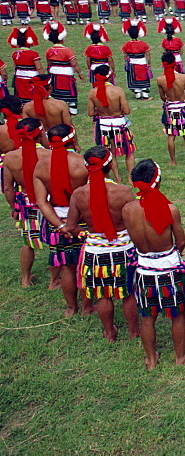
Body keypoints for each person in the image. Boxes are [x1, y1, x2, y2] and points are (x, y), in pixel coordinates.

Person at [123, 159, 185, 370]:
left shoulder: (128, 210)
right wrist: (172, 255)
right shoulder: (170, 209)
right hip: (169, 268)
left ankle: (151, 359)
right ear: (157, 181)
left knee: (148, 316)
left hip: (143, 268)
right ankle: (180, 357)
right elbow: (181, 241)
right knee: (177, 313)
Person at [63, 146, 140, 342]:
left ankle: (110, 332)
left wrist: (91, 236)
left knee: (103, 296)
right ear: (109, 165)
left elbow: (71, 226)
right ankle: (133, 332)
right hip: (123, 249)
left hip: (95, 252)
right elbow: (134, 221)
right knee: (128, 294)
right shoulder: (123, 191)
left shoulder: (79, 194)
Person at [32, 124, 91, 316]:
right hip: (82, 220)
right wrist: (73, 224)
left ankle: (71, 308)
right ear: (72, 139)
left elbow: (42, 202)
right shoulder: (81, 163)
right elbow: (90, 196)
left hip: (56, 221)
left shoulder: (40, 166)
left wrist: (61, 225)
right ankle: (87, 306)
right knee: (85, 264)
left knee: (66, 267)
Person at [2, 118, 54, 288]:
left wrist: (14, 208)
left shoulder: (10, 158)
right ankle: (54, 281)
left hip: (26, 202)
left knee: (27, 242)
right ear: (40, 134)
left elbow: (8, 188)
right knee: (54, 241)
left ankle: (25, 279)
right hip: (50, 201)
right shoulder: (50, 155)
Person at [87, 65, 136, 183]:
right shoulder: (118, 90)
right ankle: (130, 178)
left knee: (110, 153)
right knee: (129, 152)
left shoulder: (92, 92)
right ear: (109, 76)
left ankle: (117, 178)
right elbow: (126, 110)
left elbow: (90, 113)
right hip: (119, 124)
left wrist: (100, 111)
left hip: (103, 126)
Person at [156, 53, 185, 167]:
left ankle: (173, 161)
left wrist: (170, 103)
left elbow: (162, 97)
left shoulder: (160, 80)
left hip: (170, 110)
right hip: (182, 109)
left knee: (171, 136)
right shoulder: (183, 77)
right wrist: (183, 102)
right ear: (175, 63)